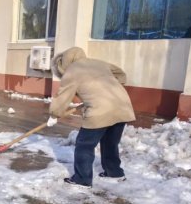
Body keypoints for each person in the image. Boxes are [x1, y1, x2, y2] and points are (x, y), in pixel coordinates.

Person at [48, 47, 136, 188]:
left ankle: (82, 179)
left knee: (84, 145)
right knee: (110, 143)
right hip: (122, 105)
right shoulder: (98, 63)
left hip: (100, 110)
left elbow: (63, 95)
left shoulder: (72, 71)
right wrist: (103, 91)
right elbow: (121, 75)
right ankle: (114, 173)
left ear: (63, 63)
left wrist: (54, 113)